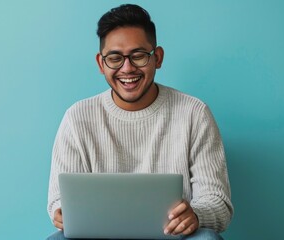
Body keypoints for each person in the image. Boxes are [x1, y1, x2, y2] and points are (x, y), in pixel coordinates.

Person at [46, 4, 233, 240]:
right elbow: (57, 200)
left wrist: (195, 214)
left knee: (207, 238)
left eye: (138, 56)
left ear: (158, 58)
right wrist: (62, 212)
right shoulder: (77, 118)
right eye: (115, 58)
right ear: (101, 64)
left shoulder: (194, 113)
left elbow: (218, 202)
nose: (127, 68)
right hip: (99, 236)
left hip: (173, 237)